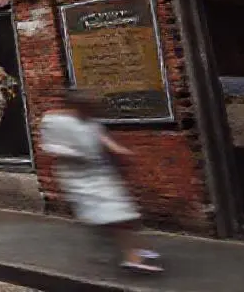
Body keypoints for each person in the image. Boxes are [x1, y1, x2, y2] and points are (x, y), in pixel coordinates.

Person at [41, 89, 162, 273]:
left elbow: (103, 139)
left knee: (118, 213)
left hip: (100, 173)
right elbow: (49, 147)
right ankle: (132, 255)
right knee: (114, 215)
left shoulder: (91, 122)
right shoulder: (54, 121)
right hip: (78, 176)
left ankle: (127, 248)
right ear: (76, 106)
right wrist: (76, 154)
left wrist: (119, 150)